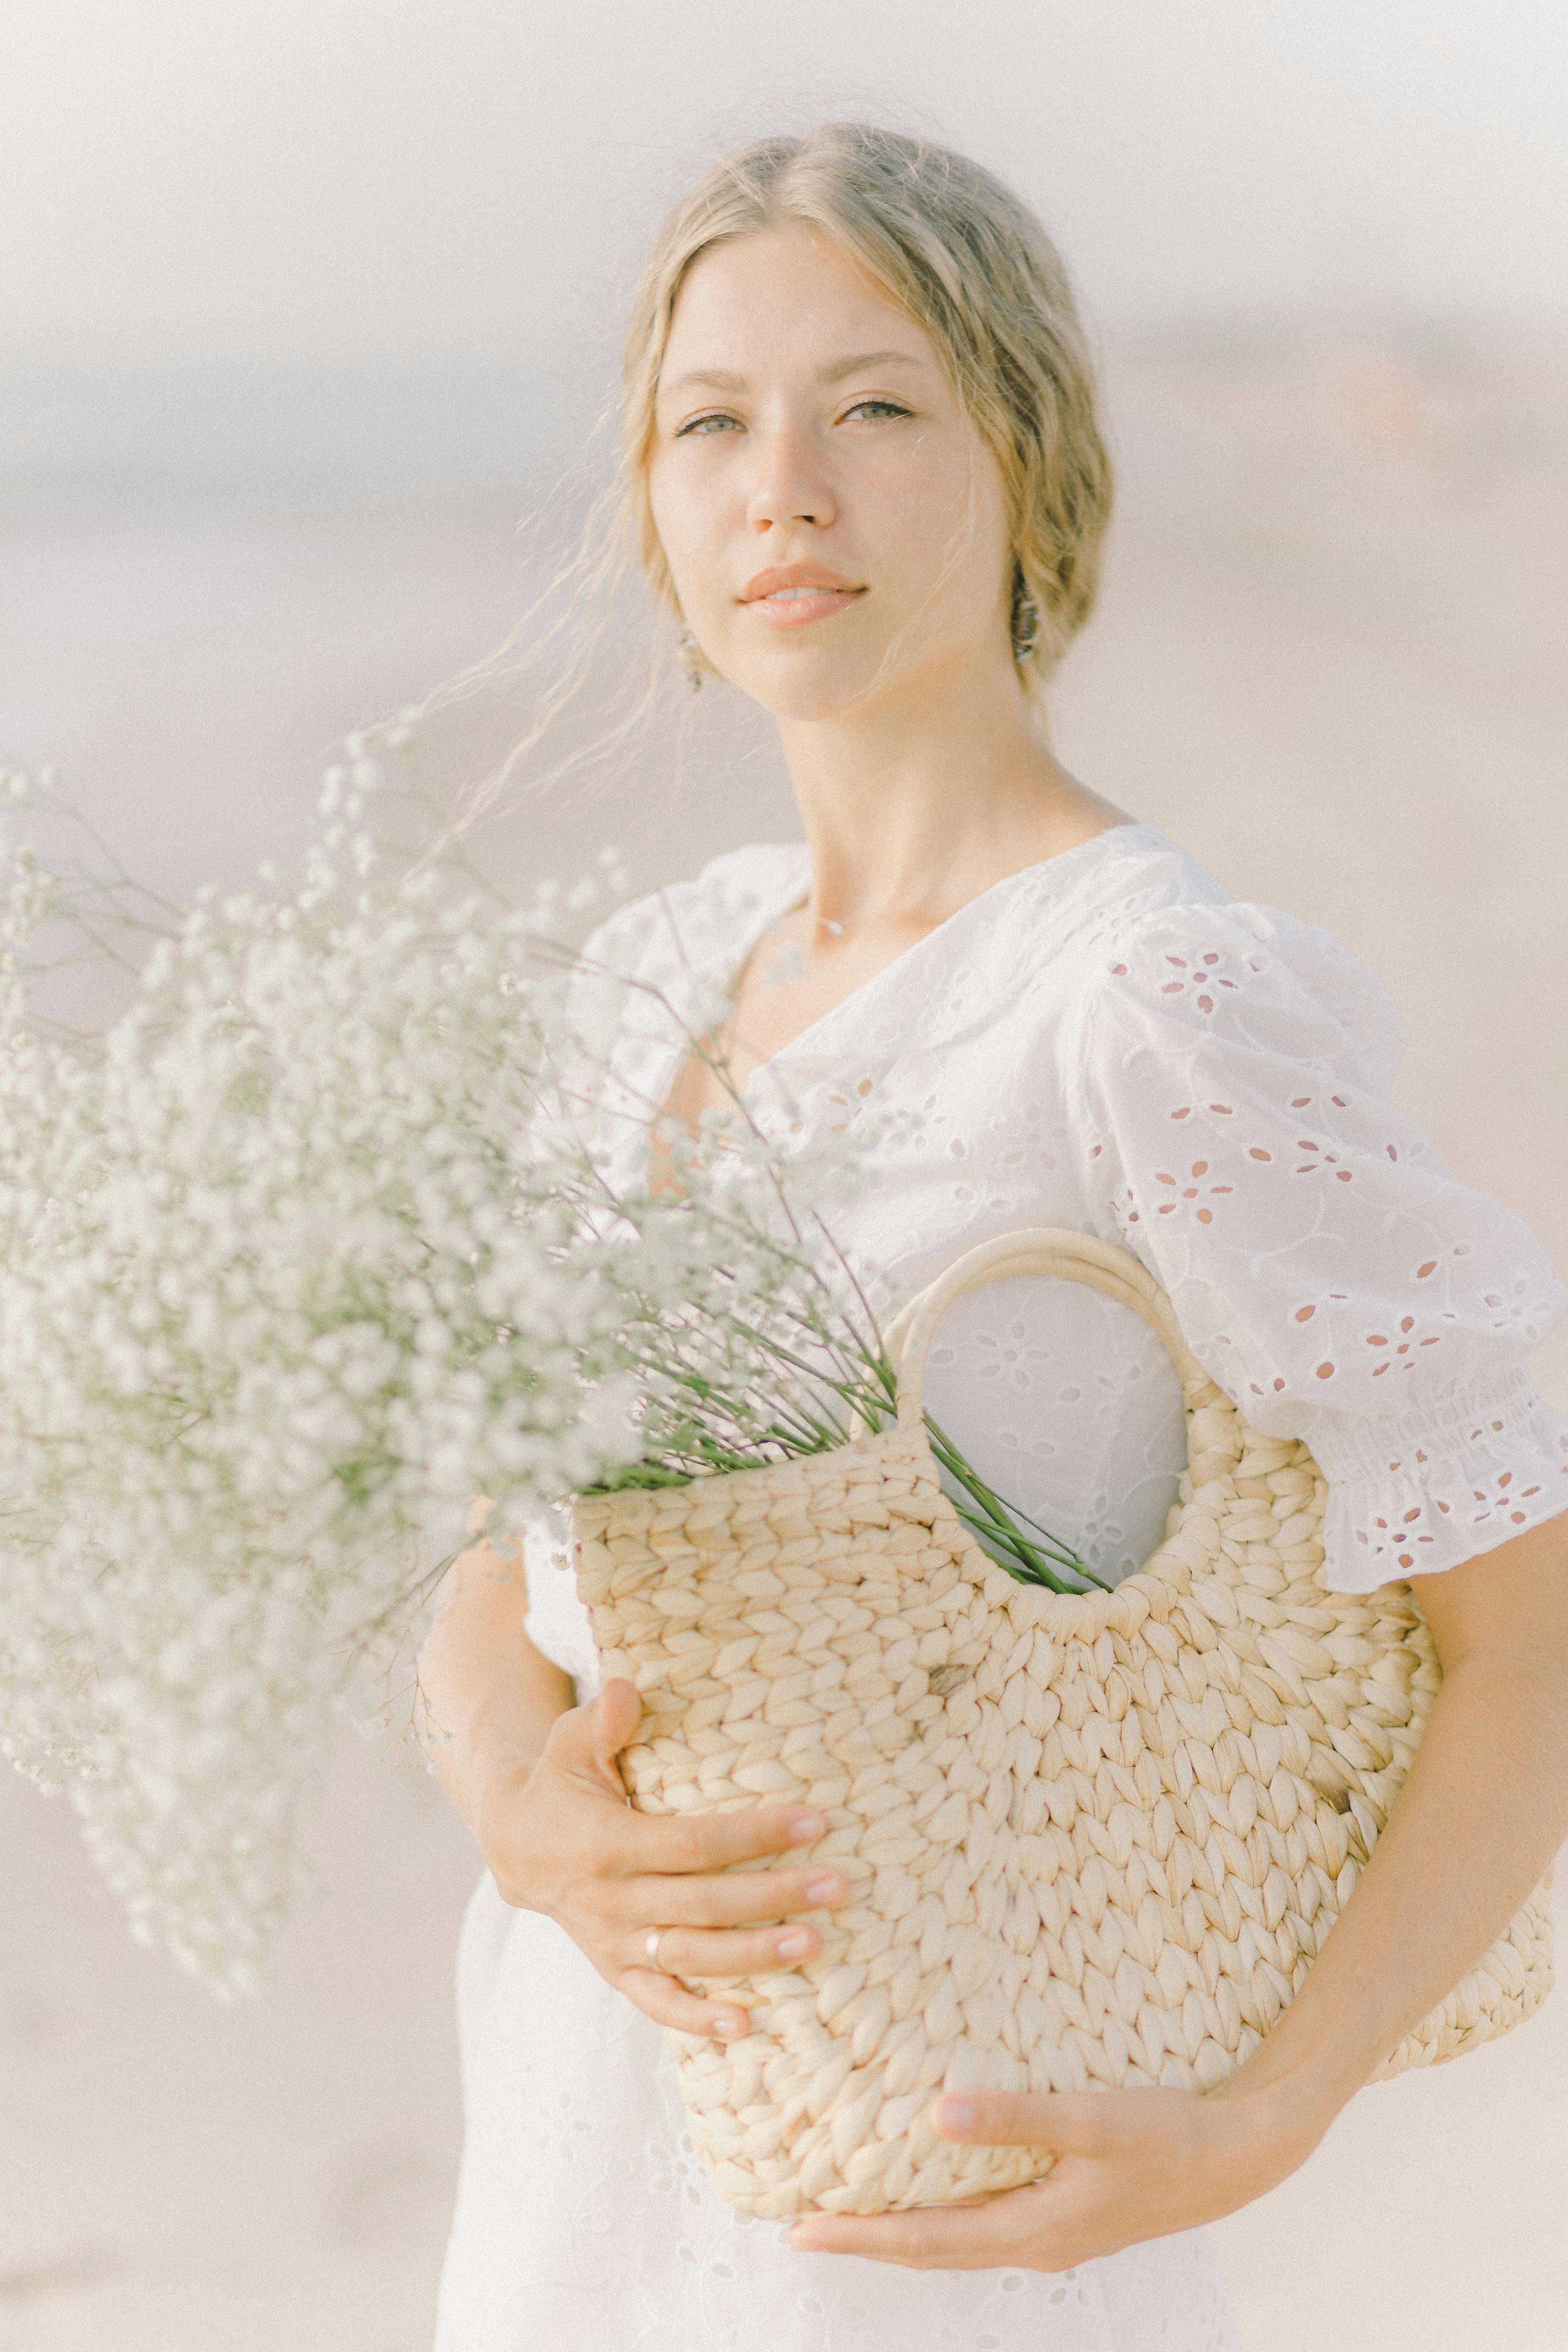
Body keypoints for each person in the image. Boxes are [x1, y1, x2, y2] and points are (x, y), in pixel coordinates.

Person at [419, 122, 1568, 2352]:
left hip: (954, 2215)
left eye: (875, 407)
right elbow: (496, 1545)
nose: (786, 490)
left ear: (1026, 455)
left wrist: (1268, 2111)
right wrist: (514, 1808)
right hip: (573, 2153)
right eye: (711, 424)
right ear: (655, 515)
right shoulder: (650, 976)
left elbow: (1529, 1634)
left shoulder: (1145, 995)